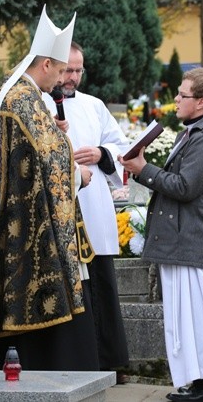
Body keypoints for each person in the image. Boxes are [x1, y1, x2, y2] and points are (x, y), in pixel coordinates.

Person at [0, 5, 99, 371]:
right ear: (45, 64)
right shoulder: (22, 98)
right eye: (61, 70)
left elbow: (40, 150)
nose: (63, 79)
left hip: (35, 219)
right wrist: (77, 174)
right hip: (31, 227)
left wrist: (59, 142)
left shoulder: (26, 96)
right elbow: (46, 163)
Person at [119, 67, 203, 402]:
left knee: (201, 314)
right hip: (183, 238)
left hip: (191, 239)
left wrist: (144, 170)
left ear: (201, 102)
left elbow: (185, 187)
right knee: (190, 314)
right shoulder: (193, 131)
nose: (176, 99)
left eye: (183, 94)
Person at [42, 41, 131, 378]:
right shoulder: (38, 103)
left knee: (101, 284)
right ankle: (78, 361)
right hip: (60, 207)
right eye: (67, 70)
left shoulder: (94, 105)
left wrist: (100, 153)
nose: (73, 77)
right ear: (53, 67)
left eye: (78, 70)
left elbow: (121, 147)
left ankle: (109, 360)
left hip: (93, 207)